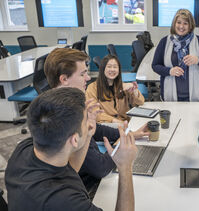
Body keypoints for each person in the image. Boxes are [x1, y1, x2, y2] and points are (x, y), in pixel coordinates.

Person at [5, 88, 137, 211]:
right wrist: (125, 167)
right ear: (74, 140)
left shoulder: (24, 149)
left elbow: (70, 170)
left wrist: (88, 133)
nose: (91, 123)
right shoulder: (66, 201)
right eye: (86, 120)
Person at [44, 48, 149, 194]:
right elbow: (100, 168)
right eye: (82, 74)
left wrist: (128, 133)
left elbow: (97, 129)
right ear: (64, 79)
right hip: (85, 188)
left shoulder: (70, 103)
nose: (88, 78)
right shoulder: (64, 116)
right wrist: (121, 144)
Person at [152, 9, 199, 102]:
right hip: (170, 96)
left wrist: (198, 60)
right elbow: (155, 66)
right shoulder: (165, 41)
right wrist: (169, 71)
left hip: (195, 96)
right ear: (174, 24)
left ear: (190, 25)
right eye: (179, 22)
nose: (181, 26)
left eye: (185, 23)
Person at [86, 54, 145, 124]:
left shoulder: (122, 85)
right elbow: (95, 112)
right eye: (109, 67)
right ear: (103, 69)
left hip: (125, 122)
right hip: (106, 123)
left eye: (115, 67)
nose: (112, 70)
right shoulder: (92, 88)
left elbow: (140, 102)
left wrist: (134, 89)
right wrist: (116, 121)